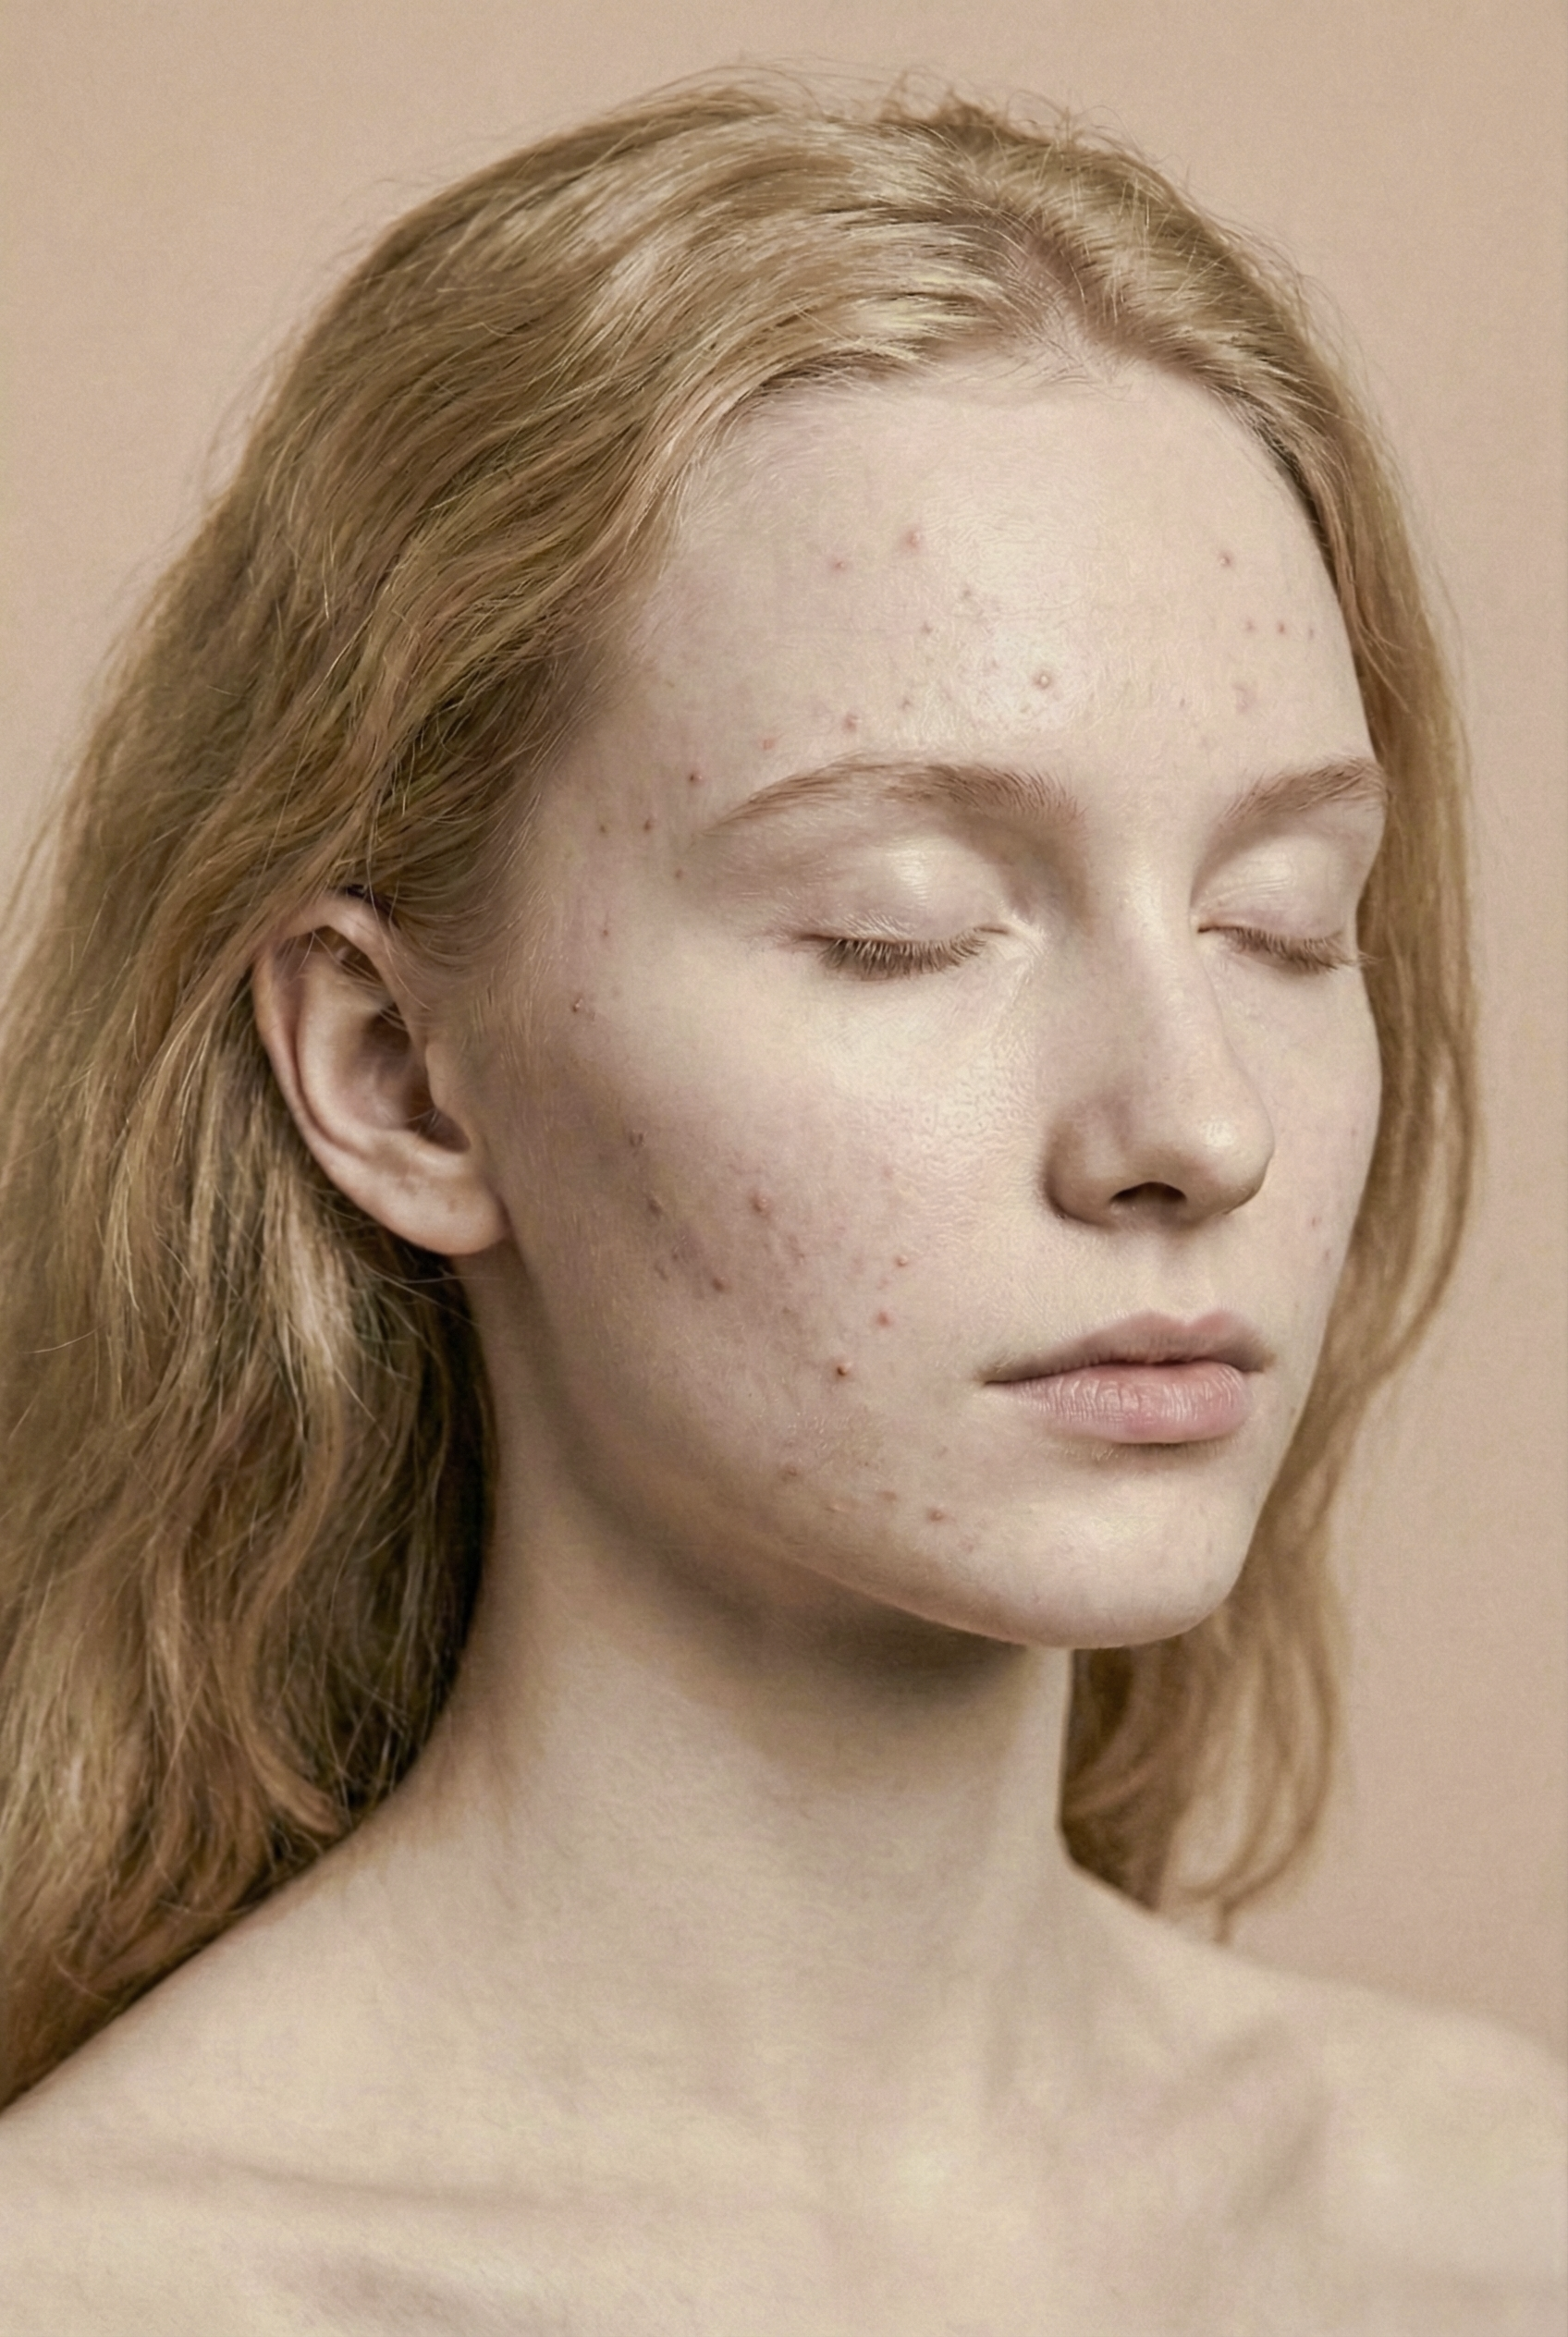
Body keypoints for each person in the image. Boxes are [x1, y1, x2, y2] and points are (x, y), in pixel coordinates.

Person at [0, 73, 1560, 2333]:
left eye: (1286, 920)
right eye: (902, 922)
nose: (1187, 1124)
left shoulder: (1488, 2232)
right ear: (392, 1071)